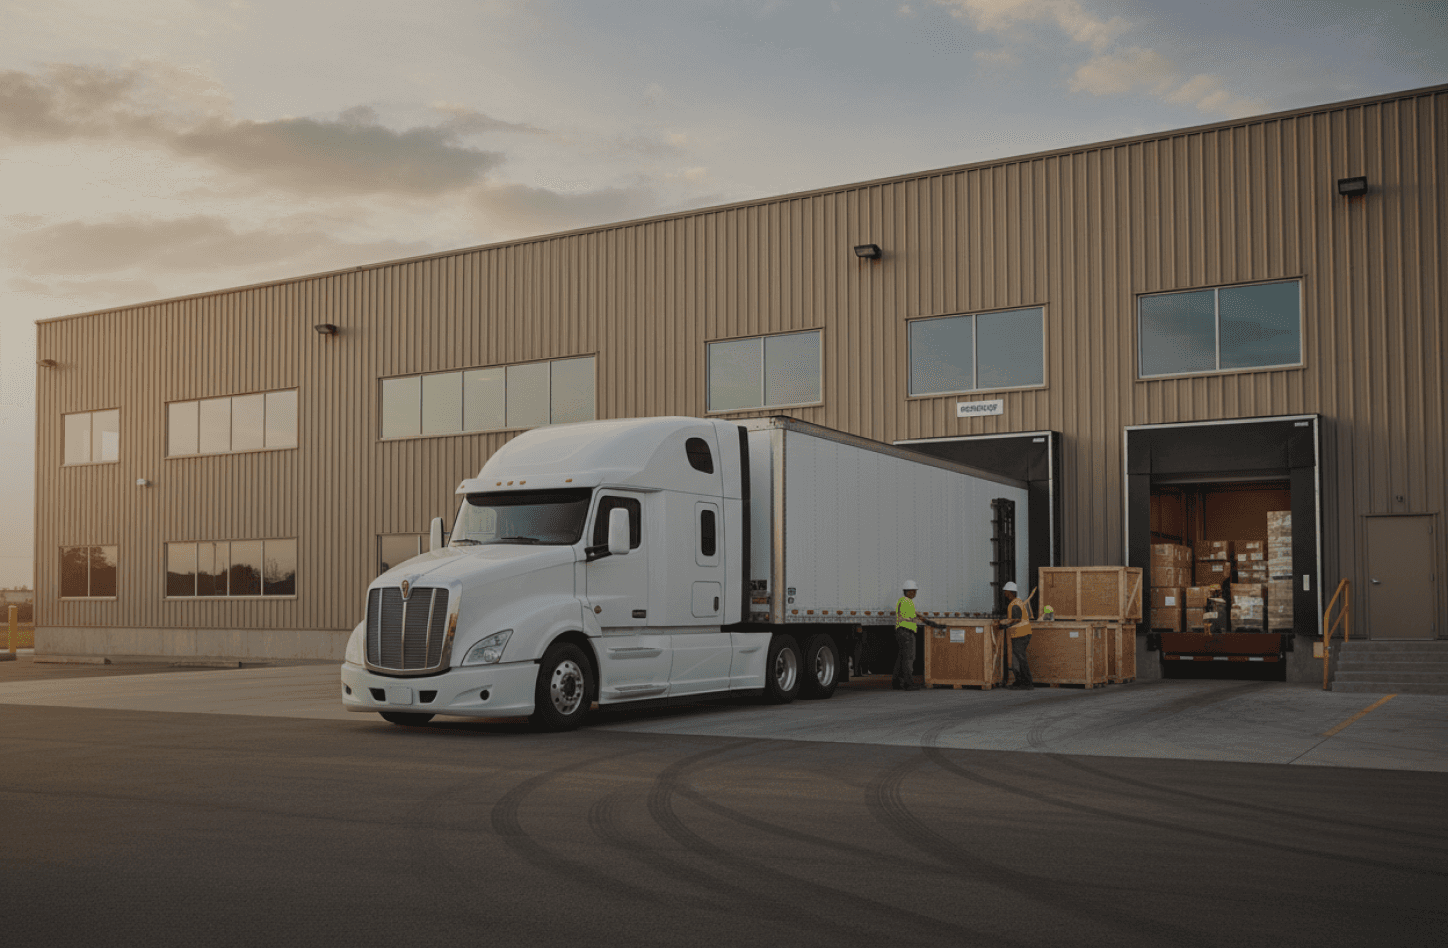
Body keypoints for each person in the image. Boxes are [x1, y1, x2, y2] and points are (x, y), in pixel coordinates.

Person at [894, 580, 942, 690]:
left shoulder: (902, 601)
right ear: (909, 592)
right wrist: (921, 621)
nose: (915, 593)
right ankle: (908, 684)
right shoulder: (907, 602)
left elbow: (914, 614)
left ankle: (896, 682)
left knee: (901, 658)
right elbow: (908, 617)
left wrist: (923, 619)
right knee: (909, 658)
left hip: (901, 632)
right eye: (914, 591)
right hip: (906, 632)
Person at [1002, 581, 1034, 690]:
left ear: (1010, 592)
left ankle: (1027, 683)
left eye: (1005, 591)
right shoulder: (1018, 602)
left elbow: (1016, 620)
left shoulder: (1015, 605)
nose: (1004, 593)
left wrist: (1004, 624)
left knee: (1020, 658)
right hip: (1022, 633)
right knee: (1018, 658)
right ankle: (1020, 681)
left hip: (1021, 634)